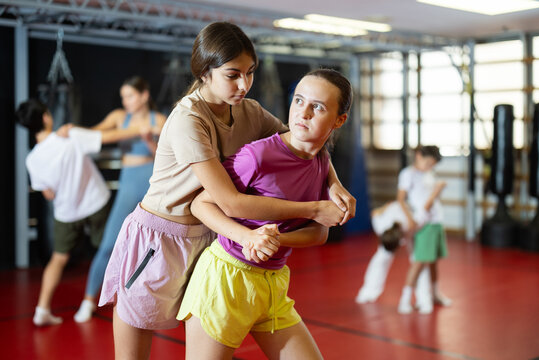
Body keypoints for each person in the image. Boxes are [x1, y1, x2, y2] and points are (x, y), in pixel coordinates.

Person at [98, 22, 355, 359]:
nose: (244, 84)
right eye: (233, 75)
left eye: (249, 73)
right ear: (206, 72)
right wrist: (311, 210)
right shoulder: (189, 119)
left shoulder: (248, 110)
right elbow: (228, 202)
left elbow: (304, 144)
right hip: (160, 238)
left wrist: (334, 183)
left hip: (208, 235)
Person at [178, 68, 352, 360]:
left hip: (273, 284)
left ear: (339, 120)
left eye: (317, 107)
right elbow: (201, 204)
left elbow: (319, 232)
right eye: (298, 100)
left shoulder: (321, 162)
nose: (303, 113)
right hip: (227, 278)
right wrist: (248, 237)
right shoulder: (258, 156)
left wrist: (275, 238)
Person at [15, 99, 144, 326]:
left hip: (66, 211)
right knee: (113, 250)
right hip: (95, 202)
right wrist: (143, 128)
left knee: (58, 259)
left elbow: (48, 194)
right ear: (46, 117)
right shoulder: (69, 136)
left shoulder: (32, 159)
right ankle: (125, 307)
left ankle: (42, 309)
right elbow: (109, 137)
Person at [73, 76, 167, 323]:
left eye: (130, 96)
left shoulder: (158, 120)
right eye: (123, 96)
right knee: (108, 244)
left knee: (153, 246)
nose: (126, 101)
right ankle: (88, 299)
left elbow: (167, 157)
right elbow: (93, 134)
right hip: (128, 182)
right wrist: (70, 130)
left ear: (144, 95)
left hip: (151, 183)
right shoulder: (118, 117)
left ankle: (148, 300)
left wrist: (148, 140)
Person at [396, 145, 452, 314]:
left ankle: (435, 294)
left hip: (436, 220)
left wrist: (436, 193)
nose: (430, 166)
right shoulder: (408, 174)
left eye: (432, 164)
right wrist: (410, 219)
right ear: (419, 156)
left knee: (433, 261)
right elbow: (401, 199)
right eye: (428, 162)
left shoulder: (429, 174)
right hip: (423, 222)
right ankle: (405, 299)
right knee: (419, 262)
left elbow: (430, 200)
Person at [354, 201, 432, 311]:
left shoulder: (411, 224)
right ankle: (368, 292)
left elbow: (423, 214)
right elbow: (375, 212)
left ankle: (424, 300)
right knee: (381, 258)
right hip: (394, 215)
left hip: (410, 218)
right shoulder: (379, 225)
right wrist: (386, 207)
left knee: (419, 261)